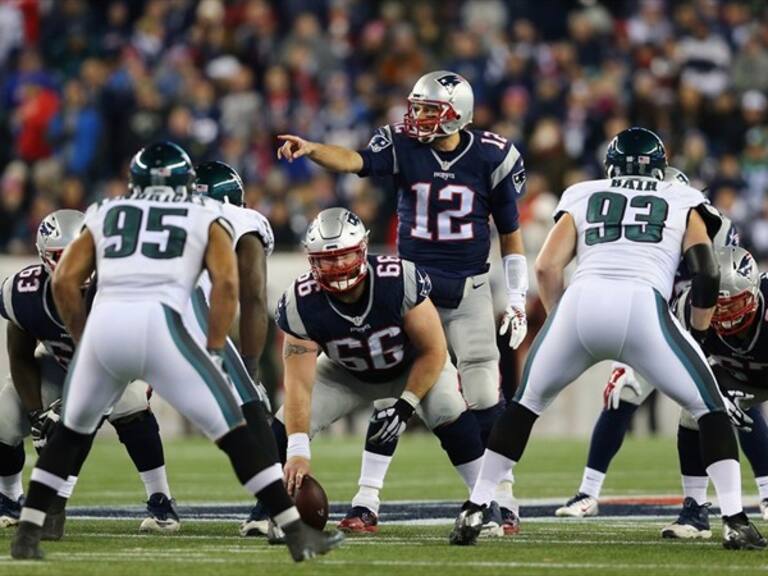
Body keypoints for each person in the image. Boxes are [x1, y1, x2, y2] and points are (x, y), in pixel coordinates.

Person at [10, 141, 343, 562]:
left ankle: (29, 533)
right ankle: (296, 532)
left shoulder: (106, 210)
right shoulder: (204, 213)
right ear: (188, 182)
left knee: (70, 434)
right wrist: (217, 344)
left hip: (106, 327)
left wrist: (84, 336)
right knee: (236, 432)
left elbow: (64, 283)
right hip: (162, 327)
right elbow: (227, 284)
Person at [448, 127, 766, 550]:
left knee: (523, 407)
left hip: (580, 301)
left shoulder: (583, 192)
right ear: (660, 168)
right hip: (642, 306)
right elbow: (706, 272)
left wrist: (563, 318)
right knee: (708, 408)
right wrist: (701, 335)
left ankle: (476, 505)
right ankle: (734, 518)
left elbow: (545, 266)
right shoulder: (683, 198)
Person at [277, 70, 527, 533]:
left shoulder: (493, 156)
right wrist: (313, 149)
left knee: (485, 397)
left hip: (469, 289)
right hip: (412, 288)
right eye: (417, 107)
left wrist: (515, 297)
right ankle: (367, 501)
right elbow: (354, 160)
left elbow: (510, 235)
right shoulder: (401, 143)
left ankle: (500, 497)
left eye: (430, 109)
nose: (417, 117)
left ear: (458, 115)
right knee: (394, 389)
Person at [553, 168, 761, 522]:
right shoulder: (644, 231)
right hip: (656, 323)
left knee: (735, 401)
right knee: (623, 394)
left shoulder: (714, 227)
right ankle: (588, 492)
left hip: (705, 325)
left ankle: (764, 492)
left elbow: (726, 281)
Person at [269, 207, 494, 535]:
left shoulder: (396, 278)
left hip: (411, 365)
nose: (336, 267)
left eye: (343, 256)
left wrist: (406, 404)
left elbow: (434, 350)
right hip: (346, 372)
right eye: (325, 260)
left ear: (363, 249)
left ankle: (486, 502)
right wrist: (298, 452)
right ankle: (270, 506)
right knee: (281, 426)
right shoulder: (300, 302)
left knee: (446, 408)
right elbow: (298, 386)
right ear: (310, 260)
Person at [0, 209, 179, 536]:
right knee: (3, 417)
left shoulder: (121, 287)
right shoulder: (24, 294)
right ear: (43, 257)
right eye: (61, 255)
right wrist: (39, 416)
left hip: (120, 367)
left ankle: (161, 498)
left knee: (132, 401)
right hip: (59, 366)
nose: (74, 263)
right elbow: (20, 355)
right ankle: (10, 497)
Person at [178, 161, 278, 537]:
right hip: (190, 317)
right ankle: (271, 507)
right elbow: (252, 295)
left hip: (126, 315)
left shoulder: (163, 212)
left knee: (97, 410)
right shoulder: (242, 218)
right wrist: (251, 369)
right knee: (254, 411)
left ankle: (44, 506)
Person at [659, 246, 768, 538]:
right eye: (715, 305)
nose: (723, 315)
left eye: (731, 305)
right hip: (730, 376)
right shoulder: (687, 308)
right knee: (694, 412)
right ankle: (694, 511)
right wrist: (716, 394)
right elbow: (680, 366)